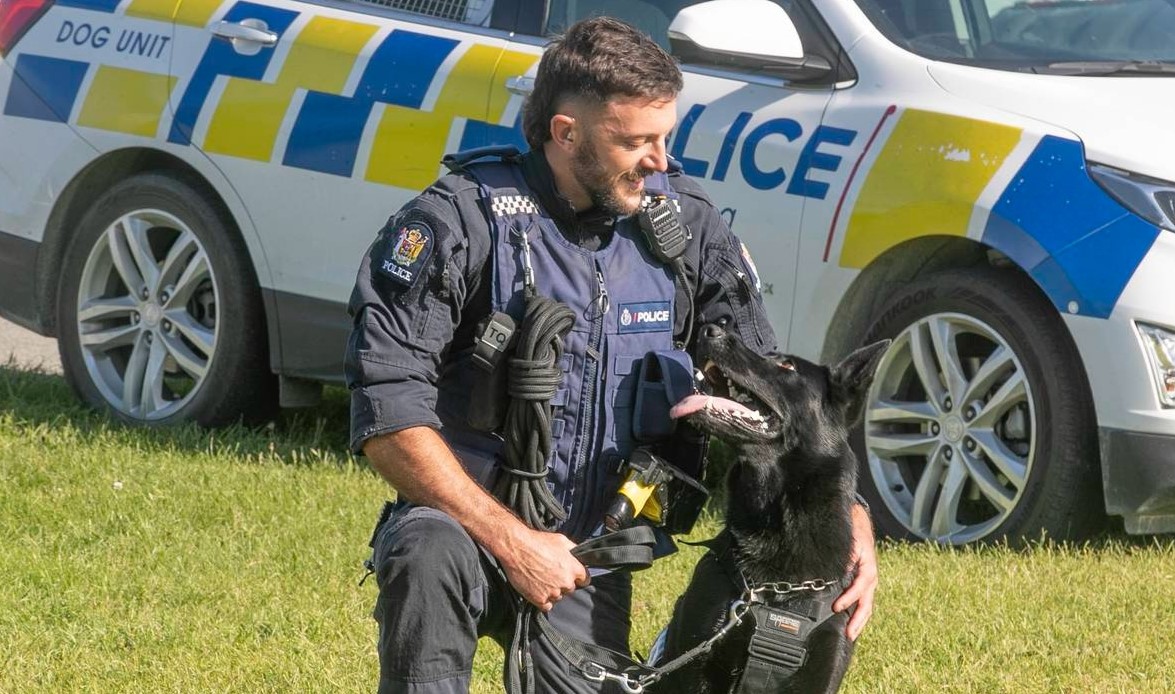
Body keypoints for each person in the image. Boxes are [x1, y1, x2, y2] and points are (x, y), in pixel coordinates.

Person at [345, 17, 878, 693]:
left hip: (591, 554)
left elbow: (775, 398)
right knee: (426, 550)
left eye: (665, 138)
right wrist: (514, 543)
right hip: (465, 525)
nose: (659, 160)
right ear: (566, 134)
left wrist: (852, 518)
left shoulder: (684, 228)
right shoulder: (461, 223)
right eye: (636, 142)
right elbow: (388, 417)